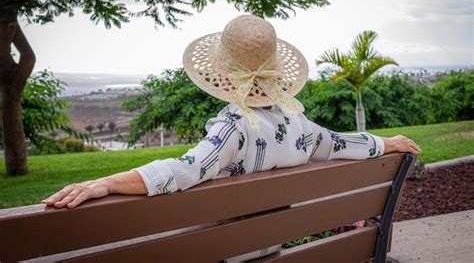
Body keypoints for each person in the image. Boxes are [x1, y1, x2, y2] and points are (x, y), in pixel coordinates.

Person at [42, 15, 421, 261]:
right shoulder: (298, 122)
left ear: (222, 74)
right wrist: (387, 143)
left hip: (229, 252)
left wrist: (106, 182)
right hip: (274, 245)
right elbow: (341, 143)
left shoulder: (232, 127)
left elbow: (183, 170)